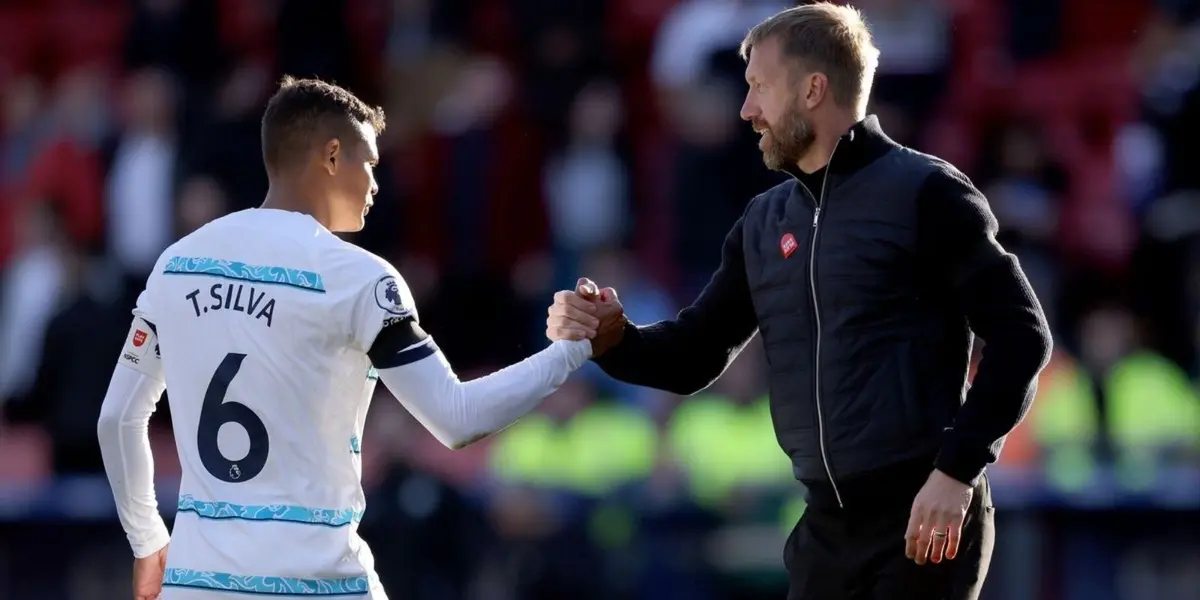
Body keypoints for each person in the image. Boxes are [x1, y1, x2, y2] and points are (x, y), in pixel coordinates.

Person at [545, 4, 1052, 600]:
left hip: (923, 519)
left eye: (759, 86)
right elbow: (693, 355)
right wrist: (611, 337)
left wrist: (956, 470)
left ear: (814, 89)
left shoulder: (927, 192)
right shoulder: (763, 223)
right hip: (822, 530)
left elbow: (1024, 336)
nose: (747, 110)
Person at [96, 76, 594, 600]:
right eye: (371, 164)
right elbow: (457, 418)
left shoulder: (177, 266)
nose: (376, 185)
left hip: (197, 585)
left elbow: (118, 418)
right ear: (332, 156)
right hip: (319, 583)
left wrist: (149, 539)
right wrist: (572, 351)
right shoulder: (357, 278)